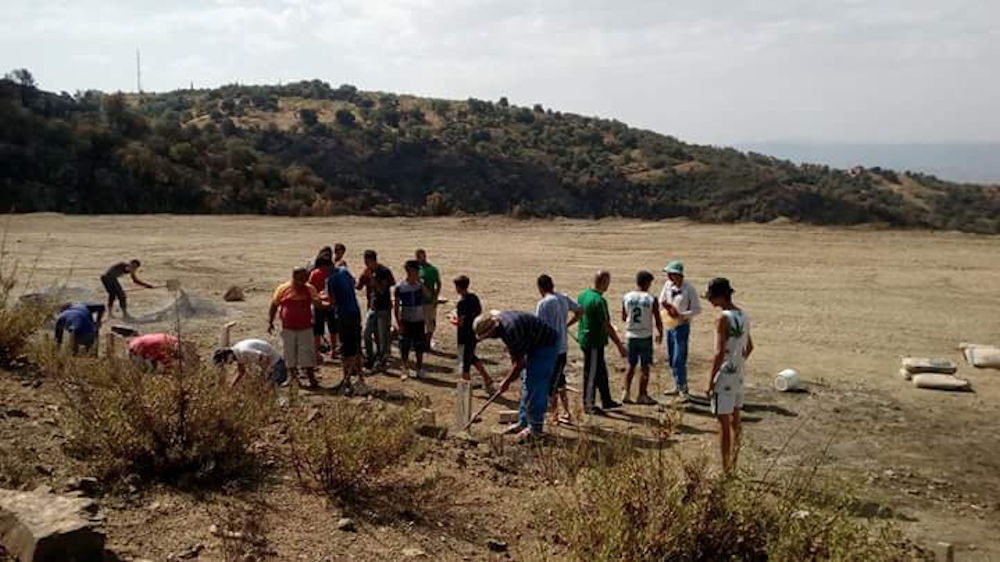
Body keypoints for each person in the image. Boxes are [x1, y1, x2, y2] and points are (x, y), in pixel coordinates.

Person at [473, 310, 559, 443]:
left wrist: (506, 381)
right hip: (533, 343)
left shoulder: (510, 329)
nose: (489, 338)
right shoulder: (502, 326)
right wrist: (511, 375)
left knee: (537, 385)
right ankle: (523, 423)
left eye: (488, 336)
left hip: (546, 345)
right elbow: (515, 354)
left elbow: (520, 363)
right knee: (527, 383)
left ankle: (535, 429)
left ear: (492, 330)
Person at [704, 278, 753, 473]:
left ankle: (725, 468)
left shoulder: (723, 318)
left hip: (724, 375)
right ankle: (733, 463)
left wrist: (710, 381)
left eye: (711, 297)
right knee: (735, 419)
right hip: (738, 373)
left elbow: (718, 352)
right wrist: (737, 361)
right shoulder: (743, 315)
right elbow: (749, 347)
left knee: (723, 422)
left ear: (719, 296)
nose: (710, 301)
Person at [577, 271, 627, 415]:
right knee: (591, 373)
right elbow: (606, 325)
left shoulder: (583, 295)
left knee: (601, 371)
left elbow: (579, 315)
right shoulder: (599, 301)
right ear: (604, 281)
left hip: (588, 338)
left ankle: (606, 399)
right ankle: (588, 404)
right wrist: (619, 345)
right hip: (593, 341)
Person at [535, 274, 581, 425]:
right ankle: (566, 412)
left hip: (550, 349)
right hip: (562, 347)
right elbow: (580, 311)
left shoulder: (543, 304)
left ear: (540, 288)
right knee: (560, 380)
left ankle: (554, 415)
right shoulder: (563, 298)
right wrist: (567, 324)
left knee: (551, 384)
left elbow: (538, 327)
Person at [268, 267, 322, 387]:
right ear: (294, 277)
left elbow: (317, 303)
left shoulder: (309, 289)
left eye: (305, 278)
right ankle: (293, 378)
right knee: (290, 354)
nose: (303, 281)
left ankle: (311, 379)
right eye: (300, 278)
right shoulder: (283, 288)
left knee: (307, 354)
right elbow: (274, 305)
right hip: (288, 328)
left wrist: (320, 301)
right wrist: (270, 321)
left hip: (305, 327)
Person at [658, 260, 701, 401]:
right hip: (670, 324)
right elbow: (661, 300)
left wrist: (682, 315)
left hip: (682, 325)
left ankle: (683, 388)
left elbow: (697, 309)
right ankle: (677, 384)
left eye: (671, 274)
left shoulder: (689, 289)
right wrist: (667, 308)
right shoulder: (668, 285)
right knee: (671, 356)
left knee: (679, 357)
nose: (669, 277)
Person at [621, 271, 664, 405]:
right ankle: (642, 394)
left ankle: (626, 392)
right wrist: (660, 333)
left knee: (631, 365)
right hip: (645, 335)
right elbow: (657, 318)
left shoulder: (627, 297)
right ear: (647, 283)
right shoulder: (651, 299)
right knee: (645, 366)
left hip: (631, 334)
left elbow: (624, 316)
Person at [326, 263, 367, 393]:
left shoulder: (330, 279)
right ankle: (360, 377)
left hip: (343, 315)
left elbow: (332, 302)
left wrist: (320, 301)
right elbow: (354, 283)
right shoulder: (344, 270)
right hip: (355, 312)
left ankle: (347, 379)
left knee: (345, 349)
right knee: (356, 346)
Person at [213, 321, 287, 387]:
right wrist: (232, 386)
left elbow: (266, 358)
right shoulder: (237, 353)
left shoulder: (244, 352)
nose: (227, 364)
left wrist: (266, 377)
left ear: (229, 356)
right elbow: (241, 372)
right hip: (271, 366)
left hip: (277, 366)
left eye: (225, 361)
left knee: (268, 389)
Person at [453, 275, 494, 394]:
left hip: (463, 335)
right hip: (474, 333)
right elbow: (479, 312)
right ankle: (487, 379)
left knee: (465, 362)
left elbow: (460, 323)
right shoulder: (474, 298)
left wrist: (453, 320)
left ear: (459, 287)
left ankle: (466, 389)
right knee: (472, 358)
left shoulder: (461, 303)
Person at [357, 250, 395, 370]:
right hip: (372, 306)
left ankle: (382, 359)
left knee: (383, 335)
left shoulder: (383, 271)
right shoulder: (367, 272)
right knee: (367, 333)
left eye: (368, 261)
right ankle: (371, 357)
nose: (367, 264)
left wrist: (373, 279)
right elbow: (358, 287)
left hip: (383, 307)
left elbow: (382, 290)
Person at [394, 260, 430, 379]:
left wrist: (421, 283)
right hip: (406, 319)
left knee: (419, 346)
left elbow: (428, 296)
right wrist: (399, 323)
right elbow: (397, 306)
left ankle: (419, 368)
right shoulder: (401, 287)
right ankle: (405, 369)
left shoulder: (420, 285)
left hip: (419, 319)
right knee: (405, 346)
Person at [308, 256, 337, 361]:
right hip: (329, 303)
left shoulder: (315, 273)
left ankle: (317, 352)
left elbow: (310, 289)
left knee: (318, 330)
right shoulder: (332, 273)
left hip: (319, 304)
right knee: (332, 328)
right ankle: (333, 350)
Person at [127, 333, 197, 371]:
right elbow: (171, 367)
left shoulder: (173, 340)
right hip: (135, 351)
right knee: (151, 370)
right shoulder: (166, 350)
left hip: (136, 342)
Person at [415, 249, 441, 350]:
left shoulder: (432, 270)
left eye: (420, 256)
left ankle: (428, 342)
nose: (419, 259)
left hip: (429, 300)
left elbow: (438, 284)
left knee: (430, 323)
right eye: (417, 257)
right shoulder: (417, 269)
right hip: (418, 301)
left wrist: (435, 297)